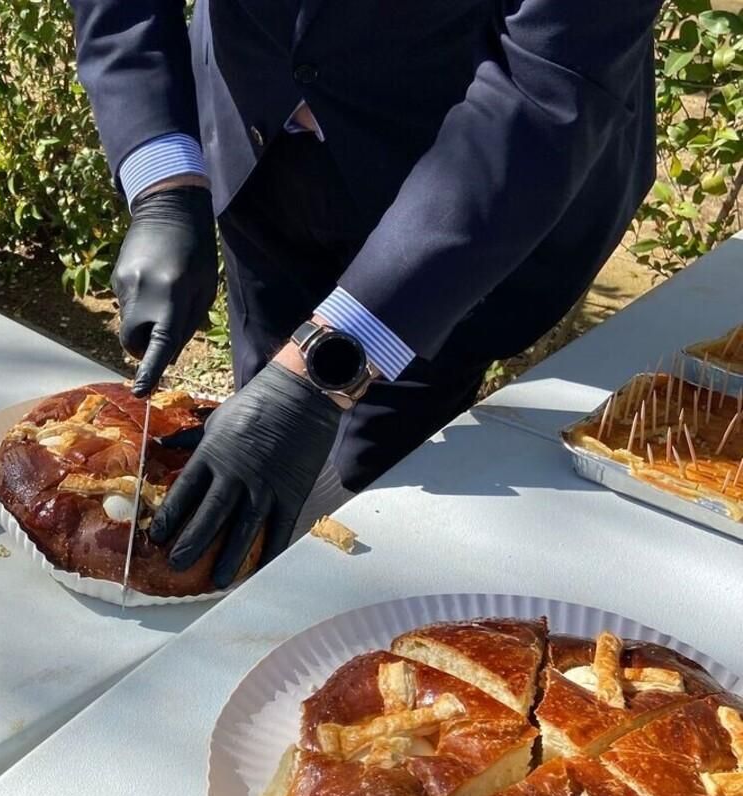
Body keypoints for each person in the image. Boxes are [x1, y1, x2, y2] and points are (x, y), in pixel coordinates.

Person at [69, 0, 661, 588]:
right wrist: (163, 178)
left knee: (370, 504)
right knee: (251, 462)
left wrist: (324, 369)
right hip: (259, 145)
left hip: (471, 209)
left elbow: (544, 89)